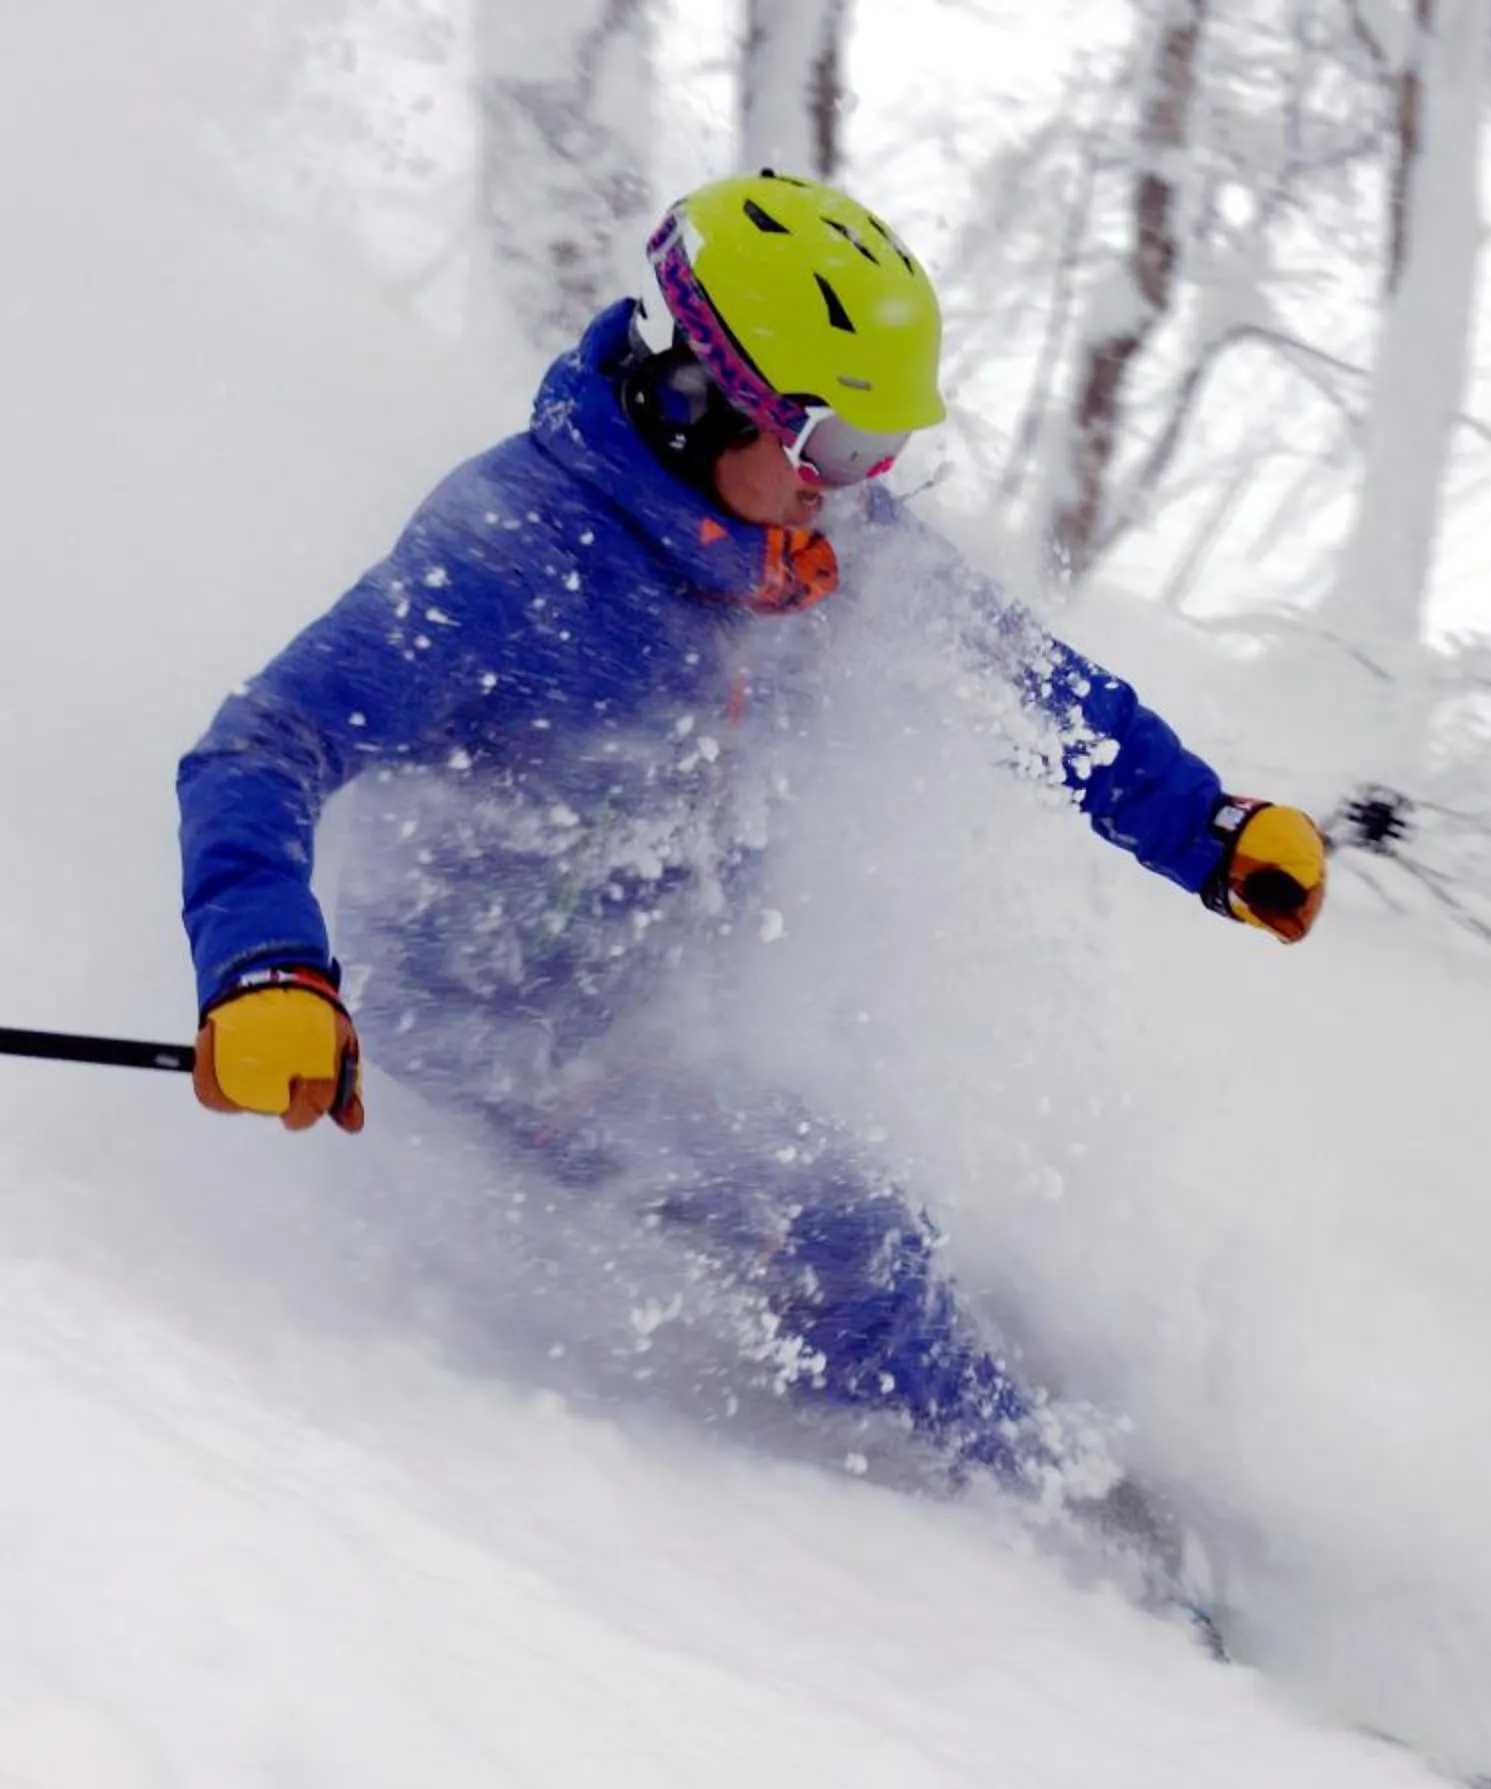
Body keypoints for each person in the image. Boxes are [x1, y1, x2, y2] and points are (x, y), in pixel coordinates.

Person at [175, 172, 1328, 1603]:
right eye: (835, 442)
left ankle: (1101, 1473)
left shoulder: (816, 546)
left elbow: (1034, 686)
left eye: (887, 448)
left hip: (666, 995)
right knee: (841, 1227)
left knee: (920, 1223)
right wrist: (268, 972)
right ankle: (1067, 1566)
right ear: (697, 394)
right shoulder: (511, 554)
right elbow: (260, 748)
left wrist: (1206, 828)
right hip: (489, 1025)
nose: (860, 484)